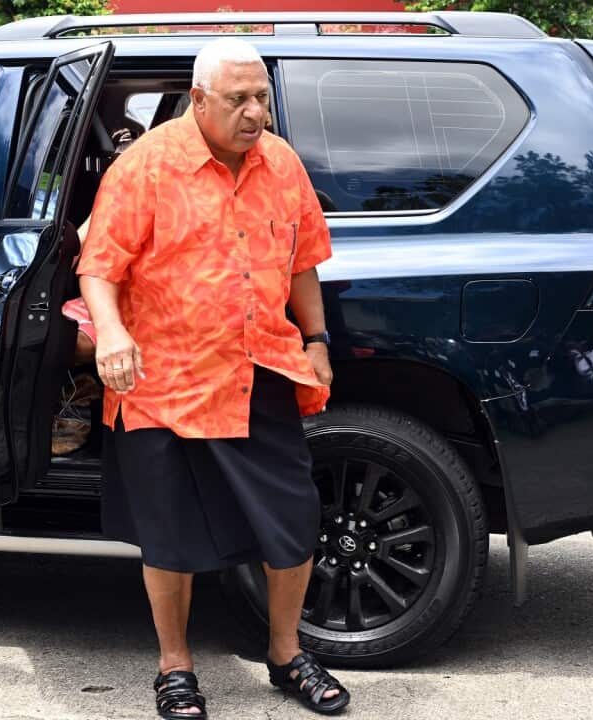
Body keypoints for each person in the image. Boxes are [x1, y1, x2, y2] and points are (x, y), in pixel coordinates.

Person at [77, 38, 350, 718]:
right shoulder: (145, 168)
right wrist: (110, 332)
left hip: (257, 370)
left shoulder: (281, 162)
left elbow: (302, 262)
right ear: (199, 100)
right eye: (238, 100)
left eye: (261, 97)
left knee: (293, 522)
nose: (255, 112)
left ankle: (286, 654)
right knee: (168, 537)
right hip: (162, 380)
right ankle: (175, 668)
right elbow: (99, 267)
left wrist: (316, 339)